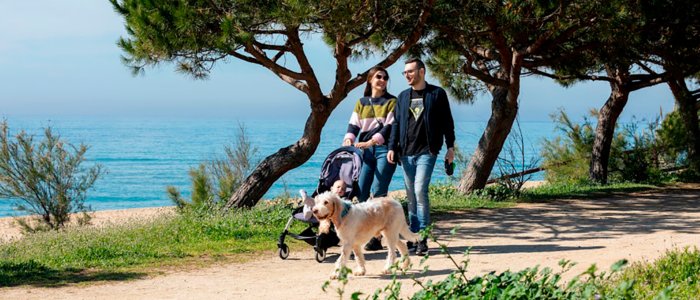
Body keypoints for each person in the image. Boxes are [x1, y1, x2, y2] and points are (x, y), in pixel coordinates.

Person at [388, 58, 455, 256]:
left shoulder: (437, 94)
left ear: (422, 72)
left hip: (428, 151)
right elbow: (396, 124)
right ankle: (413, 237)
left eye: (410, 71)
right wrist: (392, 147)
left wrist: (450, 147)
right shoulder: (402, 97)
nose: (407, 75)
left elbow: (447, 122)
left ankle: (423, 237)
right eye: (405, 72)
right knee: (410, 196)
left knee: (419, 190)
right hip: (406, 153)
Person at [343, 66, 398, 251]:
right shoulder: (362, 102)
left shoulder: (392, 101)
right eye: (378, 77)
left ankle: (377, 238)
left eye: (385, 77)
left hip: (383, 149)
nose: (382, 80)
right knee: (362, 191)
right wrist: (349, 138)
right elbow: (354, 124)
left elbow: (390, 126)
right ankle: (364, 231)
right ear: (370, 80)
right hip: (365, 152)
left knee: (379, 191)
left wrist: (371, 142)